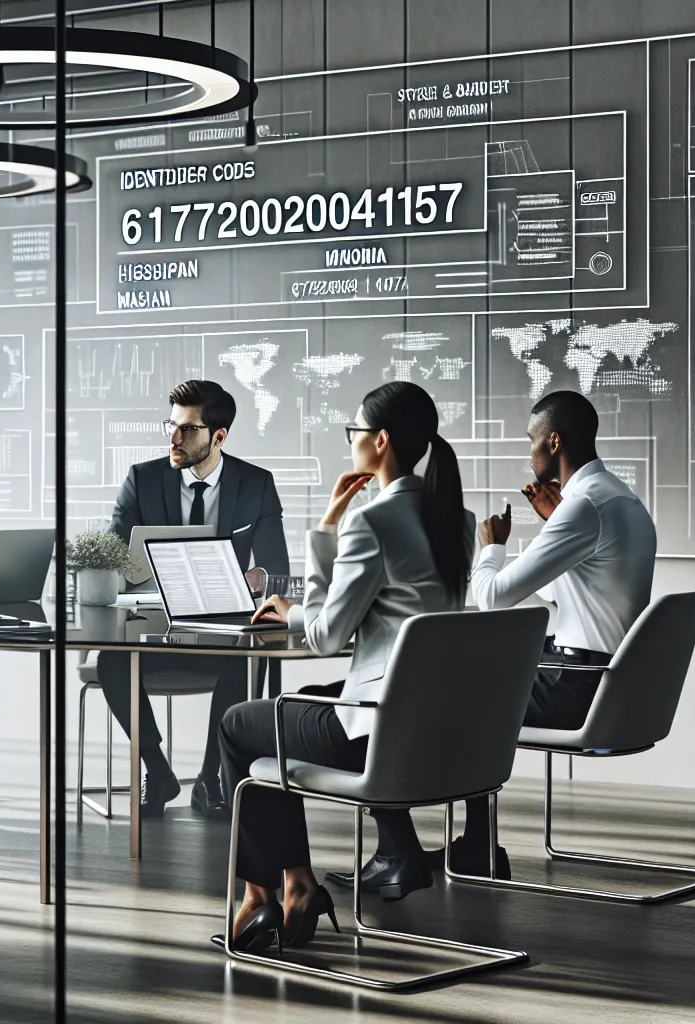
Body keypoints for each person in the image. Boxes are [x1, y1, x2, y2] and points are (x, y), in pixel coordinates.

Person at [215, 381, 473, 950]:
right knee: (292, 709)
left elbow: (328, 634)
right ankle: (295, 886)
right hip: (441, 729)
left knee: (240, 724)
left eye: (354, 431)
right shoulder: (456, 517)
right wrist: (334, 523)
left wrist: (317, 555)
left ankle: (265, 896)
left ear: (380, 440)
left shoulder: (374, 522)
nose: (351, 441)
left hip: (378, 734)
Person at [439, 390, 657, 878]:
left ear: (554, 440)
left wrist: (492, 546)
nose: (529, 451)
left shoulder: (584, 506)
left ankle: (463, 845)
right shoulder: (624, 500)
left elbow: (492, 596)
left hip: (578, 685)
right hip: (610, 677)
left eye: (532, 440)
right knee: (474, 667)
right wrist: (551, 523)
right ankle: (475, 843)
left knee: (453, 691)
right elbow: (564, 596)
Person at [101, 379, 288, 819]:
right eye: (171, 425)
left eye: (187, 429)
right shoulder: (142, 480)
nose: (174, 437)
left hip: (223, 635)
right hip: (155, 634)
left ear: (218, 437)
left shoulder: (256, 484)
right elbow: (111, 555)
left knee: (247, 659)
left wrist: (258, 577)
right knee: (110, 661)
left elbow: (278, 569)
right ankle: (157, 769)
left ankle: (211, 780)